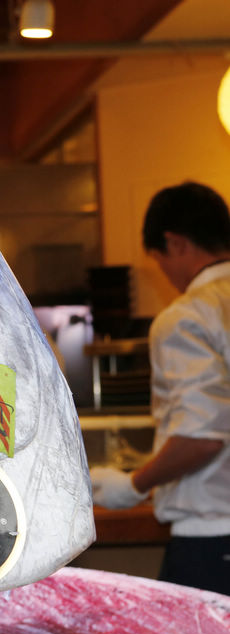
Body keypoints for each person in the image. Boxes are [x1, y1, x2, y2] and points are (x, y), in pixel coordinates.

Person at [90, 181, 230, 596]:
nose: (166, 275)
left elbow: (202, 437)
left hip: (214, 537)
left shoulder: (187, 316)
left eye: (159, 260)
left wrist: (133, 485)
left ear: (175, 242)